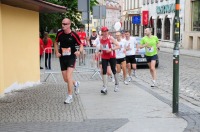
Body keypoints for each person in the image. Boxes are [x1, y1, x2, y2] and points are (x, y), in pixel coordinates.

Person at [54, 18, 83, 104]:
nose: (63, 25)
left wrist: (79, 51)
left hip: (71, 57)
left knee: (69, 76)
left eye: (65, 24)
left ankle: (70, 96)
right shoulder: (59, 33)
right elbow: (55, 42)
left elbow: (81, 45)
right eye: (62, 23)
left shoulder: (74, 35)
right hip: (62, 58)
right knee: (65, 79)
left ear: (69, 25)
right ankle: (76, 83)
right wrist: (56, 52)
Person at [100, 26, 120, 94]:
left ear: (107, 32)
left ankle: (117, 84)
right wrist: (100, 50)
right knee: (104, 71)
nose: (105, 33)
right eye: (104, 31)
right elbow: (101, 47)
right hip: (104, 56)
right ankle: (105, 87)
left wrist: (111, 49)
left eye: (106, 31)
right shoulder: (101, 38)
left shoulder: (110, 38)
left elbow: (118, 45)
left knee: (113, 70)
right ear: (102, 32)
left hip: (111, 56)